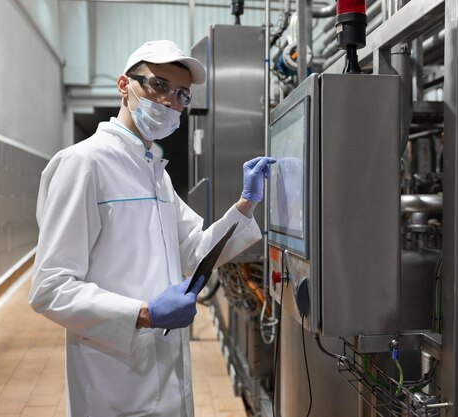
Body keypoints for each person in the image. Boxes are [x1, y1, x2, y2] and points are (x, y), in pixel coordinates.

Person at [29, 40, 275, 417]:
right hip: (114, 381)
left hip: (166, 371)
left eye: (181, 94)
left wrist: (247, 203)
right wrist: (143, 314)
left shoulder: (153, 173)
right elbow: (50, 288)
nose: (170, 102)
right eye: (158, 85)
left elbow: (194, 251)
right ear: (124, 85)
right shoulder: (83, 164)